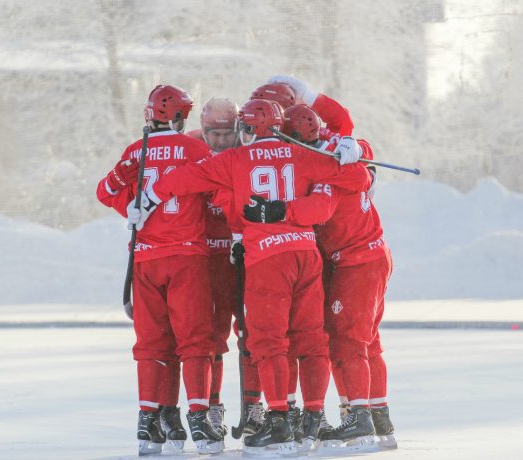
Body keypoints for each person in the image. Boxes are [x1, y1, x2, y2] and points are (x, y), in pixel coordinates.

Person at [129, 98, 371, 456]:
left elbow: (182, 180)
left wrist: (147, 198)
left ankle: (277, 420)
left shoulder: (234, 160)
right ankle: (313, 415)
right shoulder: (301, 155)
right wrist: (351, 151)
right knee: (312, 339)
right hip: (305, 254)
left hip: (266, 258)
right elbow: (358, 177)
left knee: (268, 342)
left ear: (247, 129)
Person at [263, 75, 398, 452]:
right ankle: (378, 415)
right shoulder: (335, 147)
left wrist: (277, 210)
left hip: (357, 260)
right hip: (367, 255)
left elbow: (319, 206)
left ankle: (359, 420)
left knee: (347, 342)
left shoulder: (324, 162)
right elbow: (347, 128)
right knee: (368, 342)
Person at [96, 84, 223, 456]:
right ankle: (199, 419)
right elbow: (217, 189)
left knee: (152, 343)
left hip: (146, 259)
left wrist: (129, 206)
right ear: (182, 117)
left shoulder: (137, 151)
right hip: (186, 256)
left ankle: (148, 421)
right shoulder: (195, 149)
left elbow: (105, 190)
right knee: (195, 340)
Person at [188, 97, 266, 436]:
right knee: (211, 336)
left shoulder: (249, 150)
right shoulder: (190, 147)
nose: (220, 141)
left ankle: (253, 407)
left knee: (253, 334)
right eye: (213, 134)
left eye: (226, 133)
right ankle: (214, 406)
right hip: (209, 258)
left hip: (247, 256)